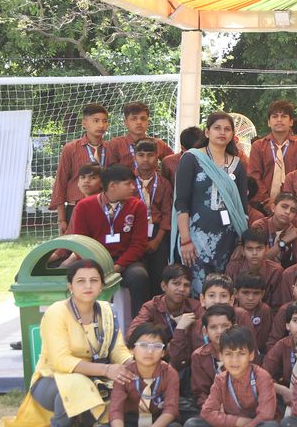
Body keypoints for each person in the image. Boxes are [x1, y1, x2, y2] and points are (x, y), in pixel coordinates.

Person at [0, 260, 134, 427]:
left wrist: (132, 364)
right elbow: (61, 361)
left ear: (101, 286)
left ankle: (83, 424)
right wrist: (106, 370)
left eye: (94, 280)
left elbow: (117, 349)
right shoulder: (57, 312)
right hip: (52, 381)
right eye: (81, 281)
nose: (88, 286)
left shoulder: (106, 311)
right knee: (77, 382)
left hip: (96, 378)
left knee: (128, 381)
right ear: (70, 286)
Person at [180, 326, 284, 427]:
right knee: (191, 425)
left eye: (241, 354)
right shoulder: (221, 379)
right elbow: (207, 412)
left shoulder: (262, 377)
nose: (235, 360)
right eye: (228, 354)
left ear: (251, 355)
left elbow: (265, 416)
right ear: (221, 356)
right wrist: (237, 422)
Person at [174, 111, 250, 293]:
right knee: (199, 291)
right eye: (217, 128)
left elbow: (242, 207)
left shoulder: (237, 164)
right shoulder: (192, 158)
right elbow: (181, 202)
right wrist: (185, 240)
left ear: (232, 134)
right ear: (207, 132)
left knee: (223, 291)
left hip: (229, 240)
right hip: (195, 238)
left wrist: (241, 243)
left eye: (227, 129)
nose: (222, 132)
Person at [94, 322, 183, 427]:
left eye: (156, 346)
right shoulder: (124, 373)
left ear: (163, 352)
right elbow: (116, 410)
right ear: (131, 350)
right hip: (131, 421)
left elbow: (170, 411)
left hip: (156, 423)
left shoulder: (170, 373)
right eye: (143, 345)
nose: (149, 351)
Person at [66, 164, 151, 309]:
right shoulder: (83, 206)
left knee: (139, 276)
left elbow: (138, 244)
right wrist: (96, 268)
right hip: (94, 261)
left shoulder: (138, 206)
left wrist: (117, 267)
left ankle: (140, 321)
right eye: (128, 184)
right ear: (112, 186)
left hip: (125, 262)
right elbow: (81, 243)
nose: (133, 188)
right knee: (79, 277)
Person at [50, 103, 109, 233]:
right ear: (84, 123)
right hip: (76, 206)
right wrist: (61, 219)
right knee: (76, 244)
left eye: (105, 121)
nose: (101, 125)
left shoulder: (110, 148)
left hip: (103, 206)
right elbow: (60, 181)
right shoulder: (71, 148)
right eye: (96, 121)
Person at [247, 99, 297, 216]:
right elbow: (254, 176)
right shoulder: (258, 146)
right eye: (275, 116)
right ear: (269, 122)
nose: (279, 120)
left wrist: (286, 202)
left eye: (284, 116)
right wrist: (268, 200)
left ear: (291, 122)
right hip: (262, 205)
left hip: (292, 207)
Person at [132, 139, 171, 293]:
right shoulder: (128, 181)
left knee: (158, 275)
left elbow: (167, 213)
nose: (146, 159)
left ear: (157, 157)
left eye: (150, 155)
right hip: (133, 232)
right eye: (141, 155)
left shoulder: (164, 183)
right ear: (135, 157)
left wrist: (157, 240)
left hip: (157, 233)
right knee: (138, 277)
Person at [104, 101, 172, 171]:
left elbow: (173, 163)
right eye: (134, 119)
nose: (139, 122)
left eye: (143, 119)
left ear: (148, 122)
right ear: (125, 123)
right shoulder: (115, 145)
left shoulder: (158, 144)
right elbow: (109, 172)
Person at [224, 229, 284, 306]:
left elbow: (277, 305)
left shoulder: (276, 271)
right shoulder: (233, 268)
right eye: (250, 249)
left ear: (266, 249)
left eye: (259, 248)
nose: (254, 253)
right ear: (243, 250)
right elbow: (227, 298)